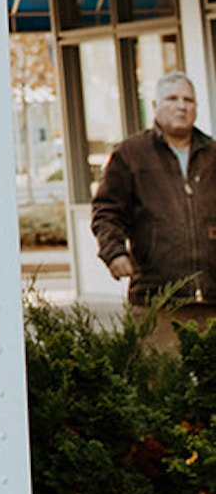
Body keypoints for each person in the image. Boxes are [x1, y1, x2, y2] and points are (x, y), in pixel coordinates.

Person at [91, 72, 216, 320]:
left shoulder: (212, 154)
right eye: (172, 98)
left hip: (212, 299)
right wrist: (114, 252)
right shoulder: (131, 154)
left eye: (188, 100)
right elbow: (106, 211)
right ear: (155, 106)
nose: (181, 106)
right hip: (155, 301)